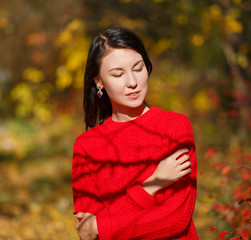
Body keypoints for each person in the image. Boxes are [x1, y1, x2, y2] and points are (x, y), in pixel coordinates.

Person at [72, 27, 198, 240]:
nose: (132, 82)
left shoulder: (175, 127)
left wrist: (102, 225)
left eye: (138, 69)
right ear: (99, 82)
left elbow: (175, 219)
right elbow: (86, 232)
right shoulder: (87, 146)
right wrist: (153, 184)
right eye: (118, 74)